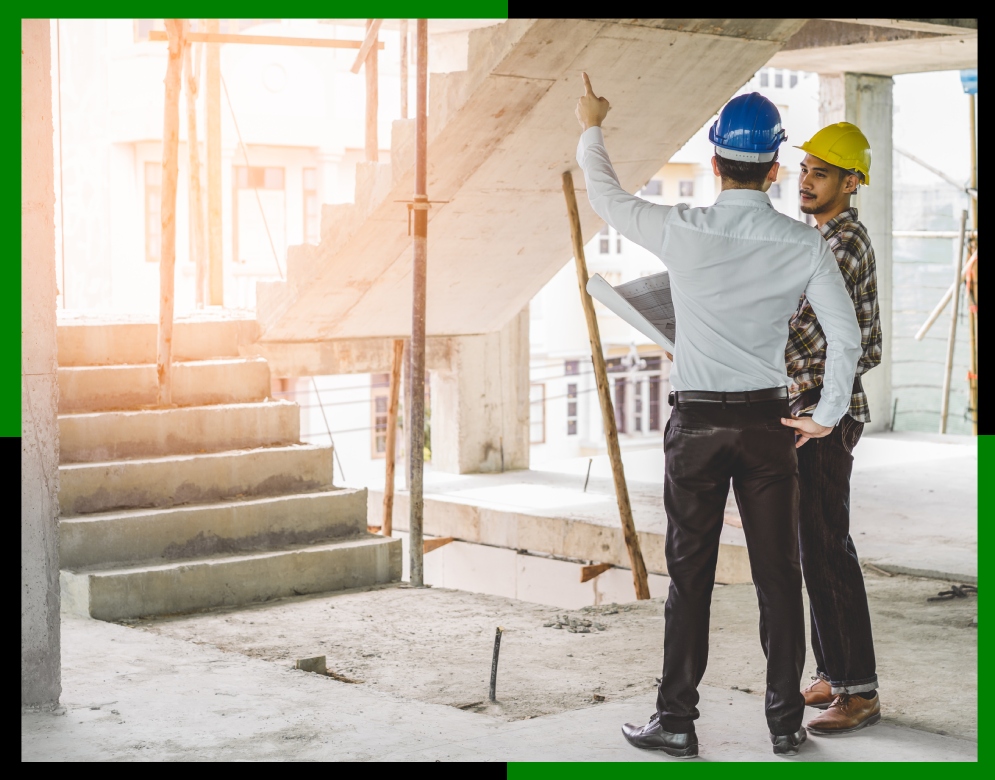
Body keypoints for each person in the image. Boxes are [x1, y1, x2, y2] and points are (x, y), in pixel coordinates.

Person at [574, 75, 862, 758]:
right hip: (768, 429)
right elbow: (844, 336)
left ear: (713, 163)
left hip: (696, 429)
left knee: (689, 580)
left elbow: (608, 198)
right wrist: (821, 416)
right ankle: (784, 723)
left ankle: (675, 721)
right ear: (772, 168)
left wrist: (591, 123)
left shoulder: (682, 228)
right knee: (777, 581)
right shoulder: (802, 243)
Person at [788, 123, 883, 734]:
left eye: (821, 173)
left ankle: (860, 691)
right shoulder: (820, 236)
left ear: (850, 182)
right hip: (813, 402)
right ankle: (834, 671)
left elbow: (802, 329)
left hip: (827, 409)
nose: (806, 180)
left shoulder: (840, 243)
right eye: (804, 169)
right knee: (815, 548)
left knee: (828, 549)